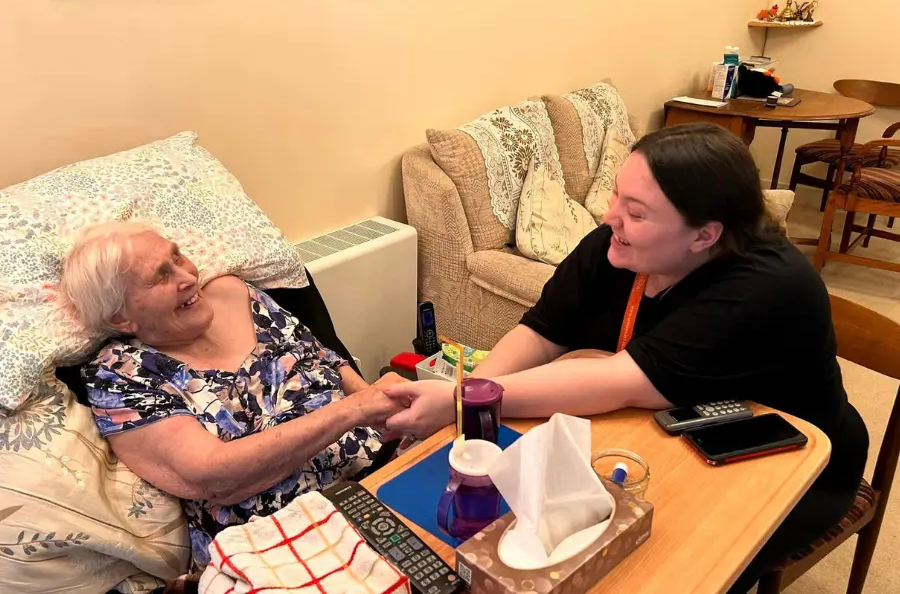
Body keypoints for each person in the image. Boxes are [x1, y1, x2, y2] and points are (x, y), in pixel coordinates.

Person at [383, 124, 869, 592]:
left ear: (703, 236)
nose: (608, 217)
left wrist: (457, 402)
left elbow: (621, 381)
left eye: (635, 212)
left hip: (789, 464)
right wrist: (469, 399)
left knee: (672, 571)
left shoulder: (765, 287)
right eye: (616, 195)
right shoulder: (616, 244)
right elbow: (544, 329)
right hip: (668, 430)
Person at [60, 222, 407, 568]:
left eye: (178, 256)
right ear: (121, 317)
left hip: (384, 471)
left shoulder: (233, 293)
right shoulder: (120, 374)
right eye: (162, 276)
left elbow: (323, 358)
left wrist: (389, 410)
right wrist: (353, 411)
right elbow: (215, 475)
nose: (188, 277)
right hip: (281, 540)